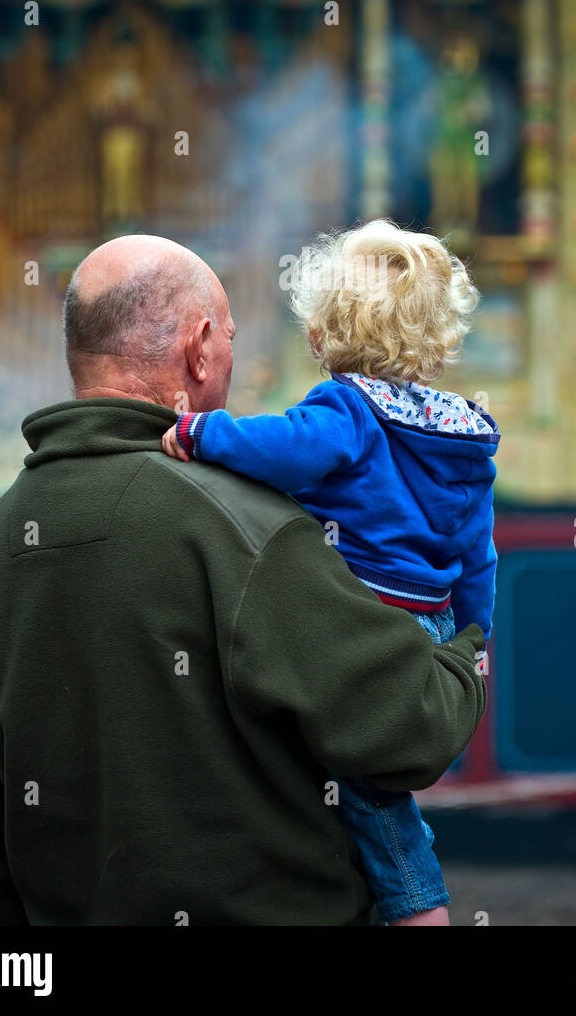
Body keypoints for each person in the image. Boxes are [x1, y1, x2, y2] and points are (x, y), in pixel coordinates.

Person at [0, 234, 487, 926]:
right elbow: (414, 727)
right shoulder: (251, 527)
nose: (230, 356)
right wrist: (463, 653)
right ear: (198, 349)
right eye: (227, 338)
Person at [161, 219, 499, 926]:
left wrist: (200, 430)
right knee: (369, 781)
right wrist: (472, 633)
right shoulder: (458, 432)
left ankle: (417, 909)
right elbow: (477, 552)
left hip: (365, 615)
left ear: (322, 334)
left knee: (368, 789)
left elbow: (284, 449)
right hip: (429, 619)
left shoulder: (347, 410)